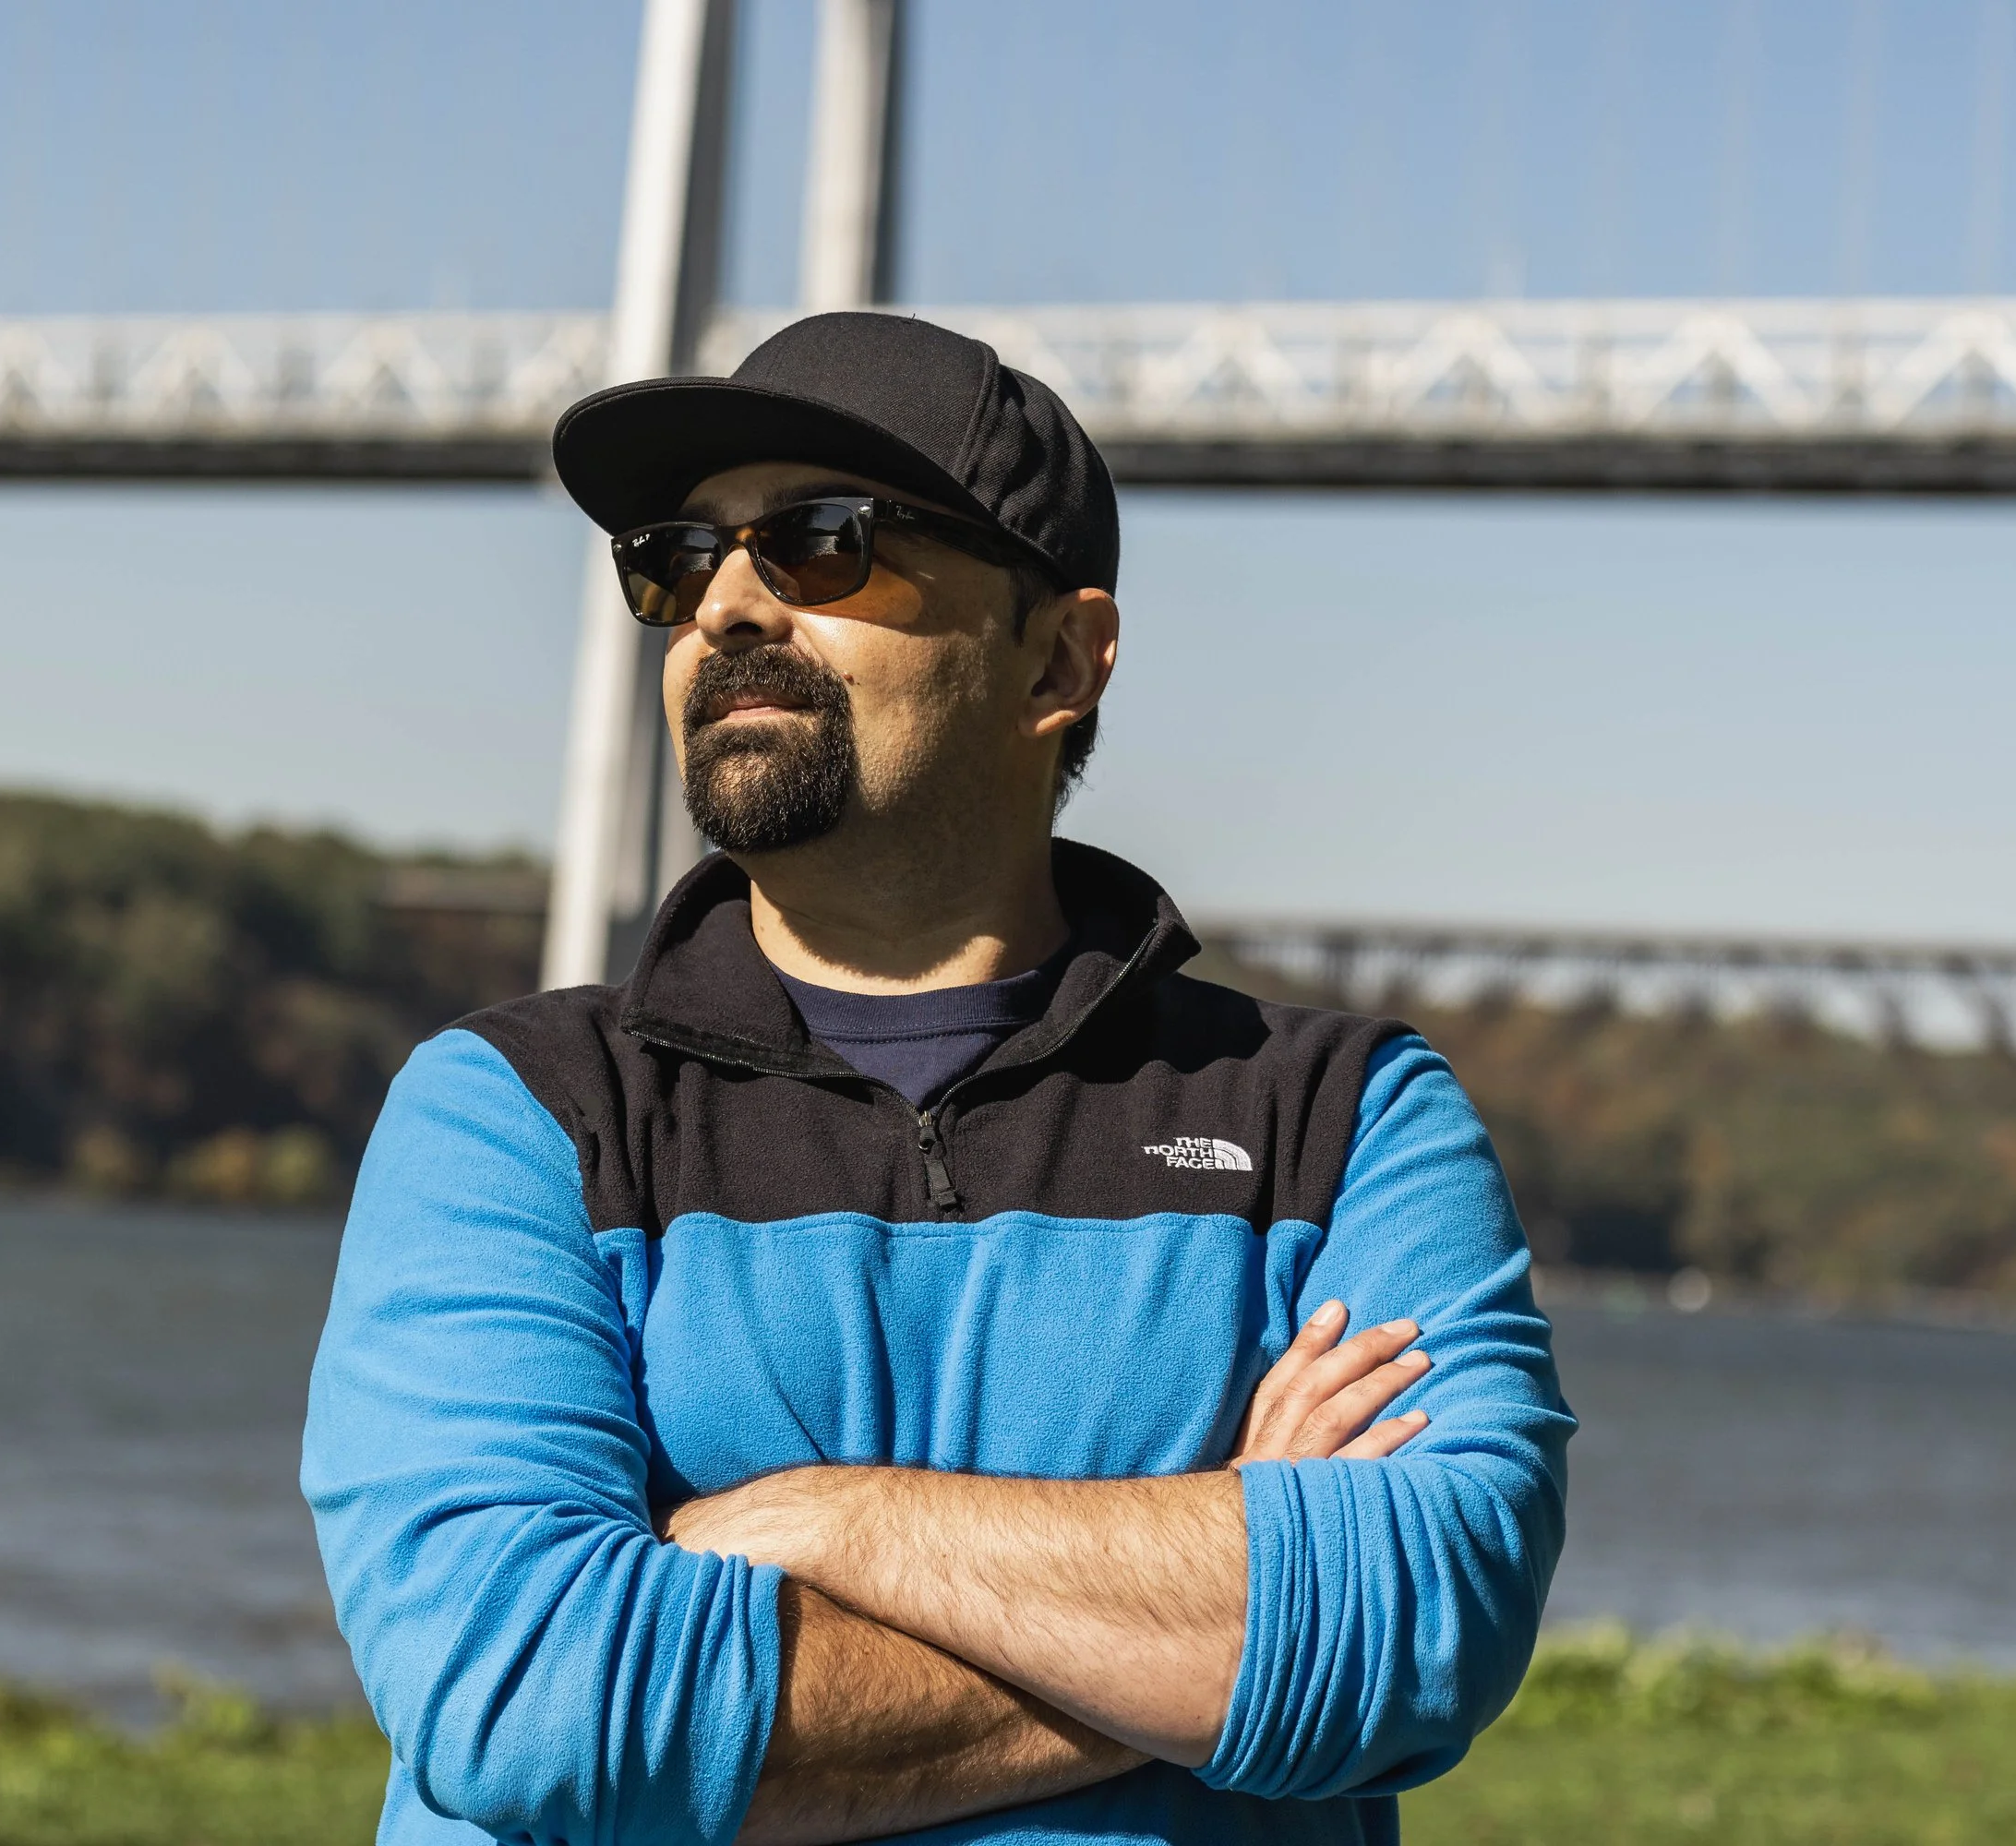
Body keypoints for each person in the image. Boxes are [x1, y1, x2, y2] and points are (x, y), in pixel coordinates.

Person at [303, 311, 1573, 1846]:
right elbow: (537, 1699)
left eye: (822, 542)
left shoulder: (1338, 1116)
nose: (729, 606)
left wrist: (836, 1518)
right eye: (679, 558)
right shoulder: (516, 1110)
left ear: (1061, 656)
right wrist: (1213, 1622)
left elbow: (1414, 1634)